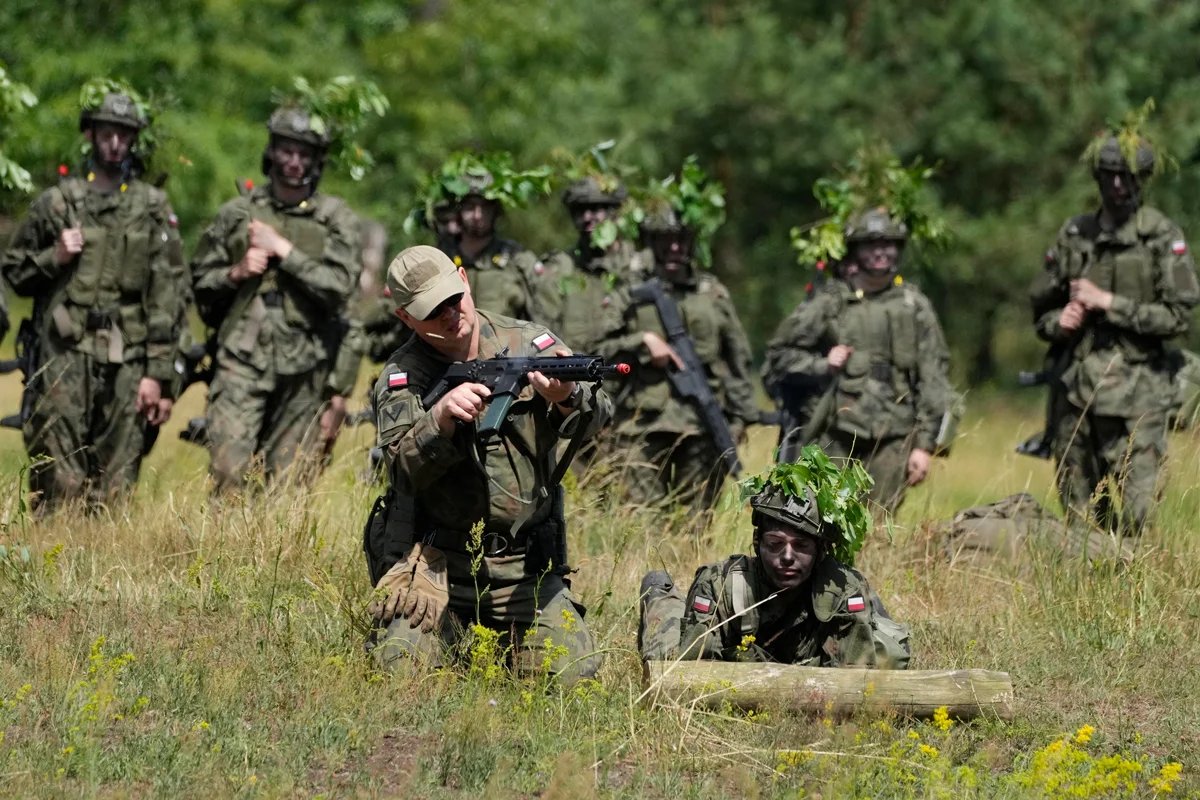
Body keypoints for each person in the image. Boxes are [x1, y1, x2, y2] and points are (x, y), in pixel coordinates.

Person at [365, 245, 613, 685]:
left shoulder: (528, 341)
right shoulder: (405, 374)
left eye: (452, 299)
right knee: (401, 674)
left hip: (524, 573)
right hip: (437, 570)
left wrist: (566, 398)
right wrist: (439, 420)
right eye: (431, 310)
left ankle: (491, 645)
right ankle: (459, 641)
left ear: (465, 280)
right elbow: (401, 470)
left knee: (571, 677)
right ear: (405, 318)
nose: (449, 315)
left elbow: (601, 413)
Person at [1, 88, 184, 512]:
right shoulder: (57, 203)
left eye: (123, 134)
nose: (115, 143)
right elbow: (14, 273)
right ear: (91, 135)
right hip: (64, 351)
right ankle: (55, 553)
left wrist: (159, 374)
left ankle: (108, 563)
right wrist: (55, 256)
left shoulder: (152, 207)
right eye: (106, 133)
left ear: (133, 139)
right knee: (58, 475)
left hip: (128, 352)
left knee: (117, 479)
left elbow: (168, 296)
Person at [1029, 132, 1198, 535]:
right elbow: (1041, 313)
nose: (1118, 186)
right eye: (1109, 176)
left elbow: (1178, 317)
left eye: (1128, 176)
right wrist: (1062, 321)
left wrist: (1108, 303)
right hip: (1077, 392)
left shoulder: (1160, 236)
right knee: (1081, 515)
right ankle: (1089, 592)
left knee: (1141, 513)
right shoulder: (1076, 234)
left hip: (1139, 396)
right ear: (1098, 178)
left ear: (1143, 179)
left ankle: (1134, 588)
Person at [190, 105, 360, 493]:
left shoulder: (335, 218)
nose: (294, 162)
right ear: (272, 152)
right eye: (286, 150)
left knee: (287, 485)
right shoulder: (237, 214)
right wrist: (236, 273)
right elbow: (199, 283)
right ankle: (223, 550)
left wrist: (283, 250)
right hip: (241, 359)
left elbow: (340, 286)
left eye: (304, 154)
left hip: (305, 365)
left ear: (317, 160)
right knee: (229, 472)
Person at [762, 208, 952, 514]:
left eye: (888, 244)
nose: (880, 252)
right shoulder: (829, 301)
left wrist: (925, 446)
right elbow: (779, 357)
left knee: (876, 525)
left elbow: (935, 378)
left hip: (893, 436)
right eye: (870, 245)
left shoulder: (914, 306)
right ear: (854, 251)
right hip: (834, 431)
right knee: (819, 520)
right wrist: (823, 365)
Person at [603, 176, 760, 512]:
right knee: (639, 525)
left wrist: (740, 419)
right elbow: (594, 348)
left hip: (701, 426)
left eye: (682, 241)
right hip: (641, 424)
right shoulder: (627, 291)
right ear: (650, 242)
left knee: (696, 526)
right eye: (665, 241)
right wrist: (643, 344)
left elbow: (738, 361)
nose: (674, 249)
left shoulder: (712, 292)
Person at [638, 481, 910, 667]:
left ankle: (872, 610)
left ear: (820, 551)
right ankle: (659, 591)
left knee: (893, 657)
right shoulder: (719, 583)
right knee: (664, 654)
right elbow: (696, 670)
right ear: (758, 544)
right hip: (733, 660)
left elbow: (858, 678)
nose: (788, 557)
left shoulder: (841, 588)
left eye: (801, 546)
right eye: (775, 544)